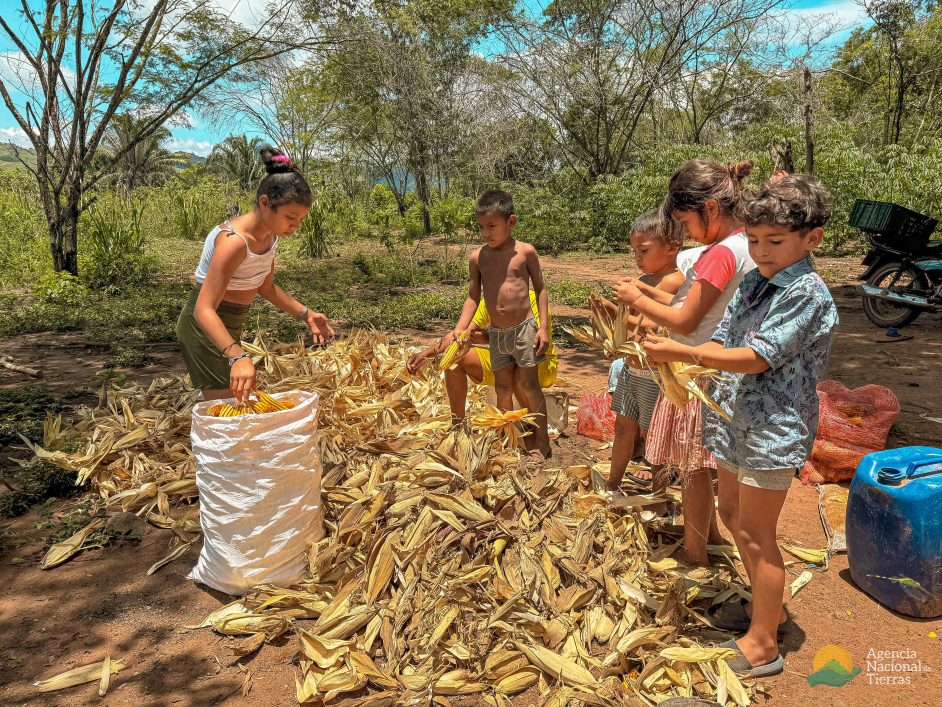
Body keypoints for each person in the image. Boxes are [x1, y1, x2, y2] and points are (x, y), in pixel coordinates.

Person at [644, 174, 838, 677]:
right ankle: (760, 606)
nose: (761, 251)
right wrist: (678, 362)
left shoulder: (807, 294)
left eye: (774, 242)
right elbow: (727, 337)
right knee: (731, 513)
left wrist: (682, 351)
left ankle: (763, 644)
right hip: (733, 420)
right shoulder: (755, 281)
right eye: (754, 241)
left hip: (772, 430)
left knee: (755, 533)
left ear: (811, 239)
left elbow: (754, 357)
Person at [612, 160, 757, 566]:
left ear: (710, 209)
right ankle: (709, 536)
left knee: (693, 469)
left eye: (685, 222)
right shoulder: (747, 242)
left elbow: (687, 319)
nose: (685, 233)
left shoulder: (721, 253)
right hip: (718, 366)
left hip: (697, 373)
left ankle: (695, 557)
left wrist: (636, 299)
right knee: (703, 466)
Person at [176, 147, 334, 402]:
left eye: (301, 219)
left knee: (238, 405)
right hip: (205, 327)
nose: (295, 226)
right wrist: (237, 355)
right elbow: (203, 309)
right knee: (230, 411)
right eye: (290, 217)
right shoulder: (234, 243)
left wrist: (307, 315)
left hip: (232, 324)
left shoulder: (271, 236)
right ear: (264, 203)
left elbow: (266, 287)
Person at [451, 189, 551, 460]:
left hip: (525, 329)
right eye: (481, 227)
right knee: (503, 387)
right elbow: (474, 296)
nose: (486, 233)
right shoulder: (477, 258)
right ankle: (507, 440)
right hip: (497, 334)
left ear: (511, 222)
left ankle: (541, 442)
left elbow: (540, 288)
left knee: (530, 386)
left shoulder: (525, 252)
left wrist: (542, 327)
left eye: (492, 226)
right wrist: (461, 327)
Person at [597, 209, 681, 501]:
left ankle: (658, 498)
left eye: (644, 250)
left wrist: (615, 308)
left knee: (656, 439)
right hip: (632, 371)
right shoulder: (644, 280)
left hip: (656, 377)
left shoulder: (673, 282)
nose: (638, 257)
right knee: (623, 430)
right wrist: (609, 311)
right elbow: (629, 325)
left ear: (672, 247)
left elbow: (649, 327)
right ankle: (613, 485)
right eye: (635, 250)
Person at [406, 293, 558, 424]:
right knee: (457, 360)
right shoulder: (489, 300)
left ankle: (532, 430)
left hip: (539, 363)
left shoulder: (531, 301)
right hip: (505, 361)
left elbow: (528, 343)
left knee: (520, 374)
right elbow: (458, 337)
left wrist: (486, 338)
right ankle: (458, 426)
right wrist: (423, 355)